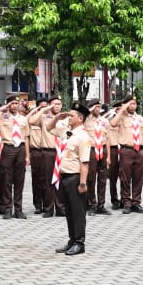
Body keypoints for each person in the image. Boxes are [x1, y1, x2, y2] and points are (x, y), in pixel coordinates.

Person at [53, 104, 93, 255]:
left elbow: (84, 162)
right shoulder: (69, 134)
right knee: (69, 212)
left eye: (72, 115)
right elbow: (50, 128)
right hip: (65, 177)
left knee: (77, 212)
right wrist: (58, 117)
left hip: (75, 178)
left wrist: (82, 183)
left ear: (80, 118)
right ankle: (72, 240)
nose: (69, 117)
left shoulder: (83, 137)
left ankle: (79, 243)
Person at [0, 92, 30, 218]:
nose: (15, 106)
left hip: (20, 148)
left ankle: (18, 209)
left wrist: (27, 155)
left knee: (19, 180)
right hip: (8, 148)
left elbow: (26, 137)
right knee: (6, 179)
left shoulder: (23, 119)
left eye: (16, 103)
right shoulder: (2, 117)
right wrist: (2, 109)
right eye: (12, 103)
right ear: (8, 105)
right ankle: (8, 208)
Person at [112, 97, 143, 213]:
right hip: (126, 150)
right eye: (130, 104)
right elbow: (112, 123)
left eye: (134, 103)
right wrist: (122, 109)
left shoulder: (140, 118)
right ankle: (126, 202)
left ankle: (136, 202)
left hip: (139, 151)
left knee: (139, 178)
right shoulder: (121, 118)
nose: (133, 106)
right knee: (125, 178)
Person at [26, 98, 57, 216]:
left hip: (47, 151)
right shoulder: (36, 118)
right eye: (41, 106)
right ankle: (38, 205)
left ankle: (47, 203)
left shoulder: (50, 119)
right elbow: (28, 128)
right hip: (36, 152)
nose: (45, 108)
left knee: (47, 179)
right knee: (37, 180)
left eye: (46, 106)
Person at [85, 99, 112, 215]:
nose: (97, 109)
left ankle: (101, 205)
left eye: (99, 107)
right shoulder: (86, 120)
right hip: (91, 150)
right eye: (95, 107)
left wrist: (109, 156)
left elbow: (108, 138)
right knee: (91, 178)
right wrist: (89, 110)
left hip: (103, 149)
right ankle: (92, 204)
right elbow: (83, 113)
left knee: (102, 178)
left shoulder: (104, 121)